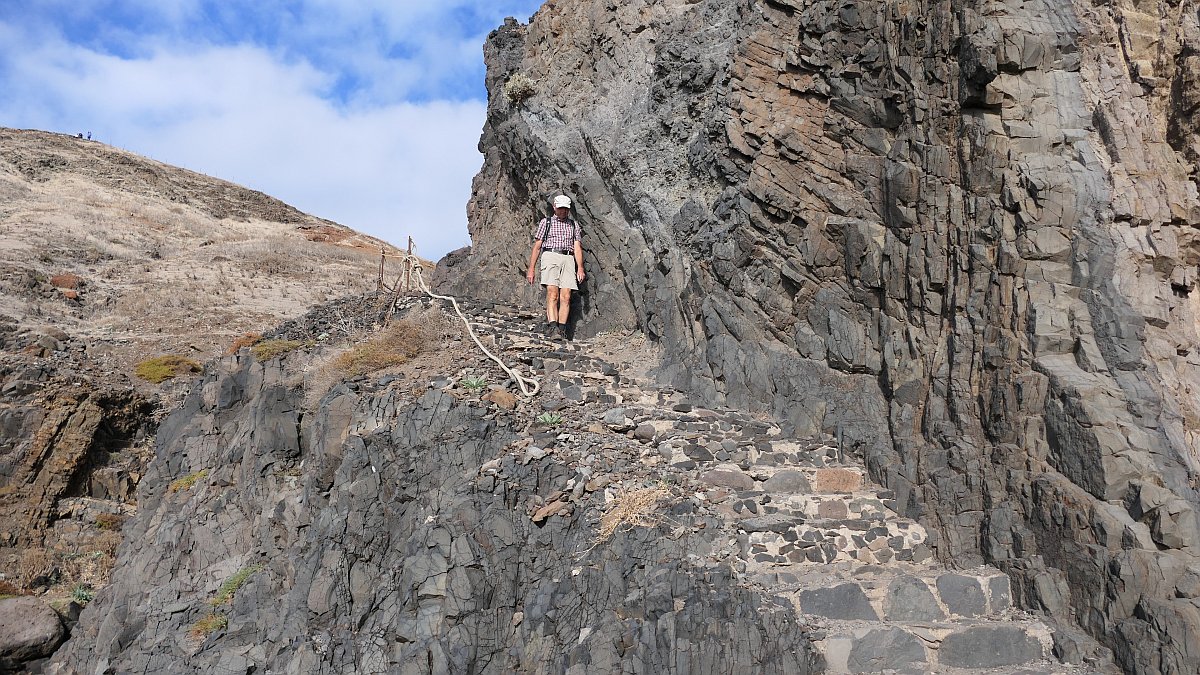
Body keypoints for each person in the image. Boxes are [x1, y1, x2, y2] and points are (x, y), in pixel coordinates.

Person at [526, 195, 584, 339]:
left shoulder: (573, 225)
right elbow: (537, 246)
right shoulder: (546, 223)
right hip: (550, 256)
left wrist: (580, 267)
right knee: (553, 294)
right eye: (560, 208)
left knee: (566, 296)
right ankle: (553, 328)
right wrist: (531, 268)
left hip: (568, 258)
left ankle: (562, 330)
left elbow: (577, 247)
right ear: (554, 207)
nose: (563, 211)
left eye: (566, 209)